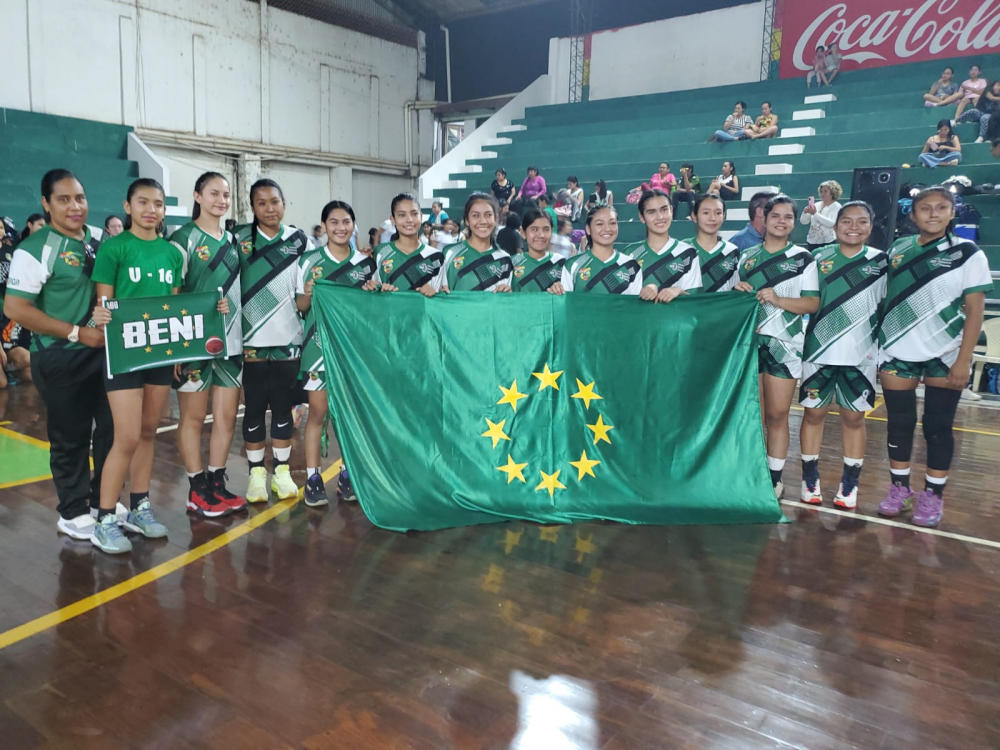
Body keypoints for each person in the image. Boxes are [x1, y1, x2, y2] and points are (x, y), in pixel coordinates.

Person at [3, 169, 112, 542]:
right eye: (63, 199)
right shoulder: (34, 250)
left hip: (106, 354)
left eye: (79, 198)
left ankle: (103, 501)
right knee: (71, 436)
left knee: (113, 430)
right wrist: (76, 332)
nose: (74, 206)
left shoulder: (102, 240)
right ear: (46, 204)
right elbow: (16, 307)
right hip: (60, 356)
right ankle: (73, 510)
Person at [876, 186, 992, 527]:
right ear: (912, 216)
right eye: (925, 208)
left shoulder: (968, 253)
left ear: (952, 213)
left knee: (937, 427)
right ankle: (900, 489)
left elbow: (974, 312)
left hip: (945, 354)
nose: (933, 214)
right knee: (899, 424)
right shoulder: (897, 250)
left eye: (941, 207)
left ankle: (932, 495)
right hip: (898, 351)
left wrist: (963, 360)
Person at [89, 178, 185, 554]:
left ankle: (140, 506)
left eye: (158, 204)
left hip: (159, 356)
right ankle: (105, 517)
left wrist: (178, 353)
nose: (151, 209)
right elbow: (104, 308)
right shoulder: (114, 248)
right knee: (125, 436)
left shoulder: (173, 253)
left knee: (148, 431)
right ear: (127, 207)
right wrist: (99, 316)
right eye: (143, 202)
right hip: (124, 355)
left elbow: (175, 308)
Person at [799, 202, 888, 510]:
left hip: (861, 355)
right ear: (834, 227)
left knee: (854, 418)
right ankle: (809, 478)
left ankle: (850, 483)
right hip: (818, 352)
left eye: (861, 221)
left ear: (871, 226)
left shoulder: (883, 262)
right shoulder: (816, 259)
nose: (854, 226)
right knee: (814, 415)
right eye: (846, 221)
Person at [169, 172, 247, 518]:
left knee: (227, 416)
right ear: (197, 196)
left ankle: (216, 482)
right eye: (214, 193)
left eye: (226, 194)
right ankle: (195, 488)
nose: (221, 199)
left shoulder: (233, 240)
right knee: (194, 416)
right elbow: (171, 296)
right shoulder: (181, 239)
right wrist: (174, 345)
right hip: (193, 343)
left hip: (230, 341)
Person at [734, 195, 820, 499]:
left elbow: (812, 302)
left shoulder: (803, 258)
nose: (781, 221)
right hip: (749, 345)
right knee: (751, 415)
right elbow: (735, 301)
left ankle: (774, 478)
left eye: (788, 217)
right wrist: (738, 289)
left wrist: (779, 300)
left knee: (778, 415)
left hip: (786, 346)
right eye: (776, 216)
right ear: (764, 218)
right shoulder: (746, 258)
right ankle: (749, 471)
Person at [296, 200, 375, 507]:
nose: (340, 228)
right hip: (317, 348)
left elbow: (373, 309)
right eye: (334, 222)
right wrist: (308, 295)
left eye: (346, 222)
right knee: (318, 412)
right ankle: (313, 478)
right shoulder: (308, 261)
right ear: (324, 226)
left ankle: (347, 473)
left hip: (352, 351)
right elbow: (300, 308)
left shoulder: (367, 264)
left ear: (353, 225)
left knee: (348, 415)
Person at [234, 179, 307, 504]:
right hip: (248, 342)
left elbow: (309, 285)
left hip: (288, 341)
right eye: (261, 203)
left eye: (274, 201)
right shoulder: (238, 240)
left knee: (282, 408)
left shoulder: (298, 240)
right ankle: (255, 476)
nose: (269, 208)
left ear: (284, 202)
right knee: (252, 410)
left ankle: (281, 472)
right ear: (253, 207)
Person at [624, 190, 701, 304]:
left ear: (671, 210)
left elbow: (696, 303)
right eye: (651, 212)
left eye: (664, 210)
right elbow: (621, 302)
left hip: (675, 321)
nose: (660, 217)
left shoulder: (687, 253)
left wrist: (678, 291)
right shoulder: (630, 253)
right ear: (642, 217)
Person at [368, 192, 444, 296]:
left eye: (414, 214)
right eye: (401, 215)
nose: (409, 220)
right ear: (393, 219)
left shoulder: (436, 256)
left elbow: (444, 291)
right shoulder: (381, 252)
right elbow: (373, 289)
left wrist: (437, 290)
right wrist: (375, 287)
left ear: (421, 216)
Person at [438, 193, 513, 293]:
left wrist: (509, 294)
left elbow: (508, 305)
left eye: (488, 215)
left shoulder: (505, 259)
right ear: (467, 220)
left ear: (495, 219)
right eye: (475, 215)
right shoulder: (450, 253)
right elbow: (439, 294)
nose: (482, 221)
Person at [559, 206, 642, 295]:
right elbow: (565, 304)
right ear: (588, 229)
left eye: (612, 223)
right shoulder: (572, 265)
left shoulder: (631, 266)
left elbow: (634, 307)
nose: (607, 229)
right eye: (599, 224)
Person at [685, 192, 739, 293]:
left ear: (724, 216)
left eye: (718, 213)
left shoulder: (732, 251)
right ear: (694, 216)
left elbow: (733, 287)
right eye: (706, 213)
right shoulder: (683, 249)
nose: (712, 218)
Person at [511, 209, 565, 293]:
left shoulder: (561, 263)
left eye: (546, 229)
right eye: (534, 229)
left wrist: (560, 290)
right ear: (523, 232)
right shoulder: (512, 263)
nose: (541, 235)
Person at [799, 180, 843, 250]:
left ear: (833, 192)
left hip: (828, 242)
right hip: (812, 241)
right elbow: (803, 222)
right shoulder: (817, 205)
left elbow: (831, 223)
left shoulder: (836, 206)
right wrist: (805, 213)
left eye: (825, 191)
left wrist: (815, 214)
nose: (823, 193)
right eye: (821, 191)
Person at [957, 79, 1000, 143]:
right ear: (992, 86)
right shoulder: (987, 92)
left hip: (989, 114)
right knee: (972, 111)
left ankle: (981, 137)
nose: (999, 87)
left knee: (984, 118)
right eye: (997, 85)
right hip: (980, 111)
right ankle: (957, 120)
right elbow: (991, 97)